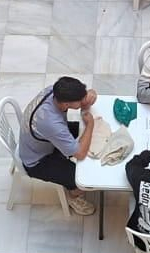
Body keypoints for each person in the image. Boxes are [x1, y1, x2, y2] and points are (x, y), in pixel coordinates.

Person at [16, 76, 98, 216]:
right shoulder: (51, 124)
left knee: (84, 135)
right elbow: (79, 153)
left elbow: (84, 95)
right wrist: (90, 125)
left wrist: (88, 94)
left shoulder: (54, 91)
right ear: (66, 104)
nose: (83, 99)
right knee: (84, 178)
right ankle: (73, 196)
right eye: (80, 99)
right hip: (38, 161)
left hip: (41, 140)